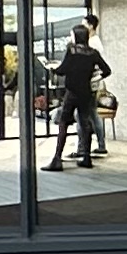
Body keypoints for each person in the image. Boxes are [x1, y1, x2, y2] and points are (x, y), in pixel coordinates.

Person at [48, 18, 113, 171]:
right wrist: (94, 78)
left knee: (64, 123)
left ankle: (57, 159)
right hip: (86, 92)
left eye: (72, 35)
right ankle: (86, 158)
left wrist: (52, 68)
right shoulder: (93, 53)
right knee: (85, 124)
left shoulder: (71, 50)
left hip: (72, 92)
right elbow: (107, 70)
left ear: (76, 36)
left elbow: (63, 70)